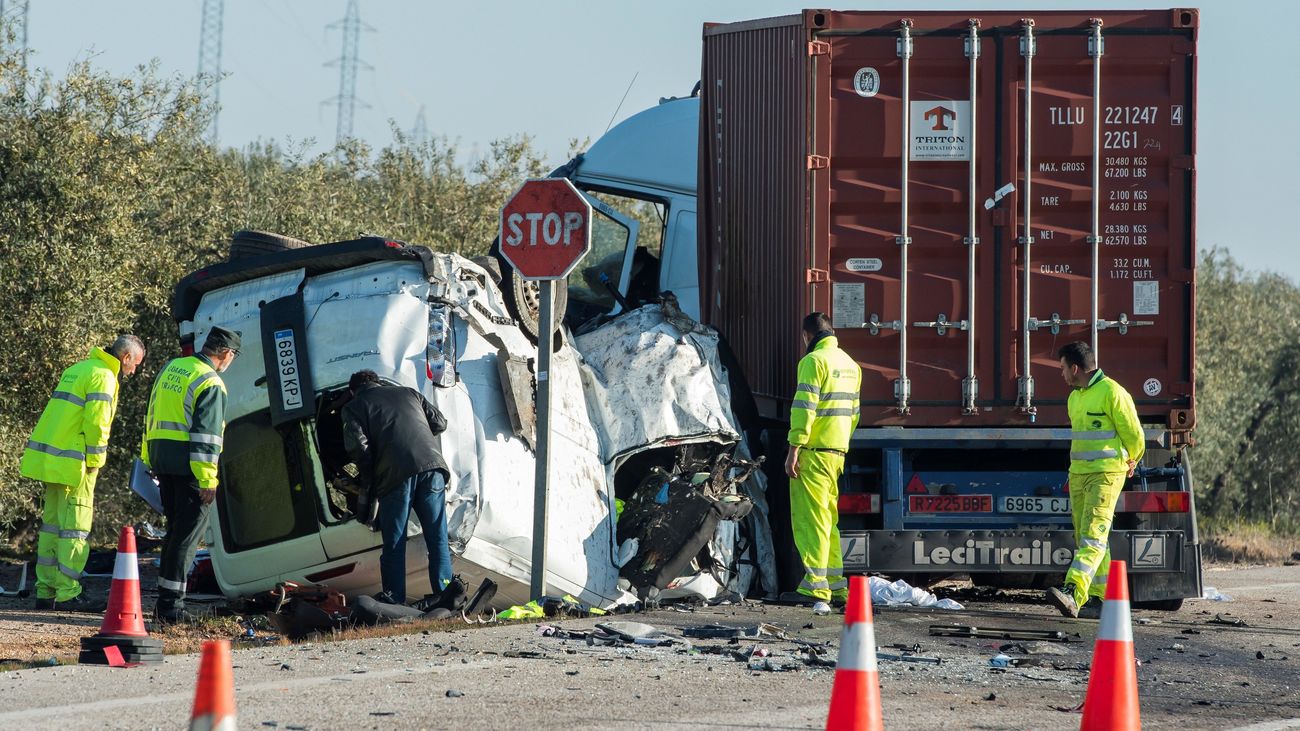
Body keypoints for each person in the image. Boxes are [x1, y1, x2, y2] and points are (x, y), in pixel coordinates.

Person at [24, 335, 146, 612]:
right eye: (135, 364)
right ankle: (68, 593)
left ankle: (45, 590)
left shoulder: (78, 369)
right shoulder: (105, 376)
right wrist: (96, 460)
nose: (134, 370)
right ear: (125, 357)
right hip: (76, 463)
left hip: (53, 461)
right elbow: (97, 424)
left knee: (51, 526)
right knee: (74, 529)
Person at [142, 326, 238, 624]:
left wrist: (148, 458)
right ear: (226, 354)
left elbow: (152, 413)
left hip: (162, 461)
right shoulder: (211, 382)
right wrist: (208, 480)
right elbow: (207, 438)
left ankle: (165, 603)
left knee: (174, 534)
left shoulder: (173, 366)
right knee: (186, 538)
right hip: (189, 468)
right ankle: (172, 607)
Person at [1047, 341, 1144, 618]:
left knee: (1092, 537)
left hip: (1105, 475)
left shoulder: (1112, 393)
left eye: (1063, 368)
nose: (1062, 374)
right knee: (1087, 538)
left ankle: (1073, 592)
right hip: (1078, 476)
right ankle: (1100, 599)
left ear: (1075, 368)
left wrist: (1131, 460)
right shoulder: (1075, 398)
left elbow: (1135, 437)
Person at [341, 369, 455, 606]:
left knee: (395, 542)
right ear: (378, 381)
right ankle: (446, 594)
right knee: (437, 537)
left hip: (395, 476)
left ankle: (394, 600)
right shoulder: (409, 393)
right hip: (432, 468)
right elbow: (440, 422)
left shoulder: (353, 407)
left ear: (353, 391)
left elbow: (359, 449)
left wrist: (369, 479)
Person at [780, 313, 862, 616]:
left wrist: (794, 449)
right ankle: (837, 584)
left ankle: (815, 586)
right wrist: (840, 445)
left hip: (812, 452)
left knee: (809, 520)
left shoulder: (814, 362)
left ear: (807, 336)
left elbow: (804, 409)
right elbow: (854, 416)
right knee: (829, 520)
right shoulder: (851, 365)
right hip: (836, 452)